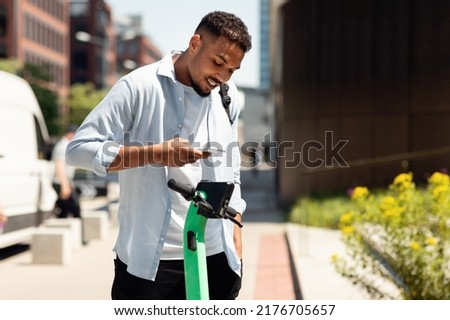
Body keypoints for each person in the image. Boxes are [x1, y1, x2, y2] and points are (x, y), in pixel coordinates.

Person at [66, 11, 252, 300]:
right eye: (218, 62)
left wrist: (236, 236)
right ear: (194, 43)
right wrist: (155, 154)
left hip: (216, 258)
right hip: (151, 267)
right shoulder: (138, 87)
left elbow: (232, 169)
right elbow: (78, 150)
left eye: (232, 70)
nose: (222, 76)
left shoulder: (228, 97)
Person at [52, 124, 81, 219]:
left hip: (65, 182)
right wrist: (65, 186)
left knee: (65, 211)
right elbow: (59, 166)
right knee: (74, 209)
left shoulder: (64, 145)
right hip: (62, 182)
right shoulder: (63, 146)